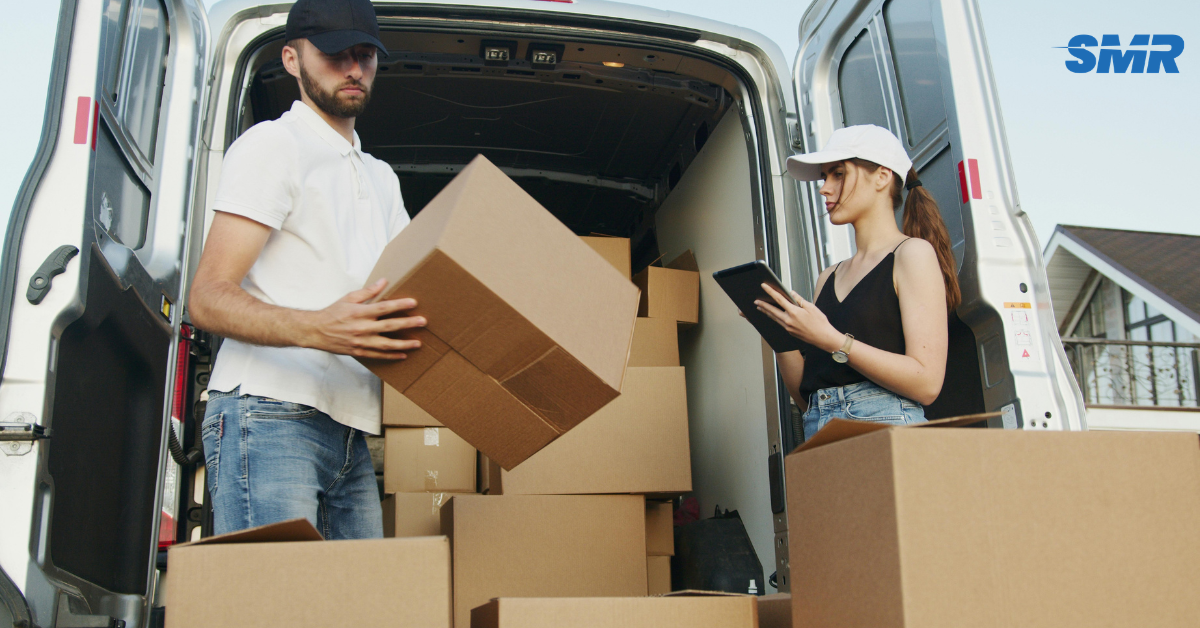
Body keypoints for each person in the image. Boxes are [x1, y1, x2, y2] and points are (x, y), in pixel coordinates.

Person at [188, 0, 422, 538]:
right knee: (271, 610)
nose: (353, 68)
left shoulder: (381, 177)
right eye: (335, 54)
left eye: (364, 55)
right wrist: (320, 328)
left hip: (350, 430)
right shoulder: (274, 146)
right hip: (267, 414)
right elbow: (206, 296)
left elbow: (414, 289)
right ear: (292, 59)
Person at [754, 124, 959, 441]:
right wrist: (777, 331)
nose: (824, 188)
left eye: (838, 174)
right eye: (825, 178)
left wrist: (832, 340)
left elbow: (927, 382)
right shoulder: (828, 276)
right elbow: (807, 398)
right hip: (820, 429)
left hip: (887, 427)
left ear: (882, 176)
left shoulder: (912, 254)